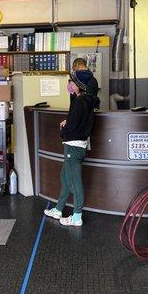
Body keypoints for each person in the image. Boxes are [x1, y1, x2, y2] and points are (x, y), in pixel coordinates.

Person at [44, 69, 100, 227]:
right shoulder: (86, 100)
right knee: (65, 177)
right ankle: (59, 209)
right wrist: (68, 122)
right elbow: (75, 120)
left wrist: (64, 129)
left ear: (79, 86)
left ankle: (77, 217)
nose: (69, 84)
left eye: (72, 82)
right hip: (77, 144)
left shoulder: (80, 101)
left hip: (73, 146)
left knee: (75, 183)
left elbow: (73, 125)